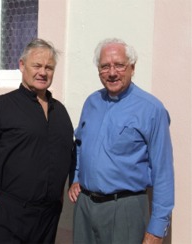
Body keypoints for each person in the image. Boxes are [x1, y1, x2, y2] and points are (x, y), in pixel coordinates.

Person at [0, 38, 74, 244]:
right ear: (22, 65)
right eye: (37, 65)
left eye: (49, 67)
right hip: (7, 215)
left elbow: (63, 154)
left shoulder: (60, 111)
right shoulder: (1, 107)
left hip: (47, 218)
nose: (43, 72)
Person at [68, 38, 174, 244]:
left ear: (132, 68)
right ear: (98, 70)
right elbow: (80, 144)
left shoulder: (152, 109)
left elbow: (163, 172)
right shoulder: (91, 102)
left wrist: (157, 229)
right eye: (105, 66)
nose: (112, 72)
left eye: (119, 65)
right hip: (85, 207)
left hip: (125, 208)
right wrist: (76, 177)